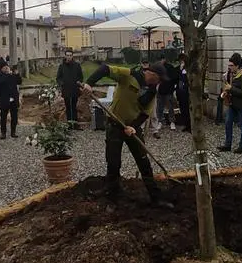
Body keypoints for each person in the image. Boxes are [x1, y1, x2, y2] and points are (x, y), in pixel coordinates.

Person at [80, 62, 173, 208]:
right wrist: (89, 83)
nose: (160, 82)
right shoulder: (129, 75)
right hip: (115, 125)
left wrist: (133, 127)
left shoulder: (152, 91)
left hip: (132, 129)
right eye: (159, 79)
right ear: (153, 74)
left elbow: (145, 113)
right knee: (113, 163)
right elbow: (105, 69)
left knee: (144, 163)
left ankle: (156, 198)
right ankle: (113, 198)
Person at [217, 53, 242, 154]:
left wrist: (231, 89)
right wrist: (226, 92)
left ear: (237, 66)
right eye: (229, 65)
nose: (229, 67)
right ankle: (228, 145)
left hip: (241, 105)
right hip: (232, 104)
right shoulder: (232, 74)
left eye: (231, 65)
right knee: (228, 123)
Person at [0, 64, 23, 139]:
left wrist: (17, 74)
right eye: (4, 68)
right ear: (2, 69)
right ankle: (3, 133)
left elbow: (19, 82)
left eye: (7, 67)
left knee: (14, 117)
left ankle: (13, 132)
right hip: (4, 99)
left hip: (13, 99)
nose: (6, 69)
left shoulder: (12, 75)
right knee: (3, 117)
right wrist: (7, 74)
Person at [56, 50, 84, 126]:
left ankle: (75, 124)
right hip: (66, 90)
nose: (69, 57)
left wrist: (79, 82)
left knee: (74, 107)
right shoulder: (62, 66)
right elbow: (58, 78)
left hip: (75, 89)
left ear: (72, 56)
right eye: (67, 55)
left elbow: (81, 77)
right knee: (68, 107)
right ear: (65, 56)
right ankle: (69, 124)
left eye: (70, 55)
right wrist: (62, 84)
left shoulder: (77, 65)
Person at [175, 53, 191, 132]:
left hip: (186, 92)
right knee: (183, 109)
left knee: (187, 109)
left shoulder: (188, 69)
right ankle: (186, 124)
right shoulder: (180, 69)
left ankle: (189, 125)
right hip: (180, 92)